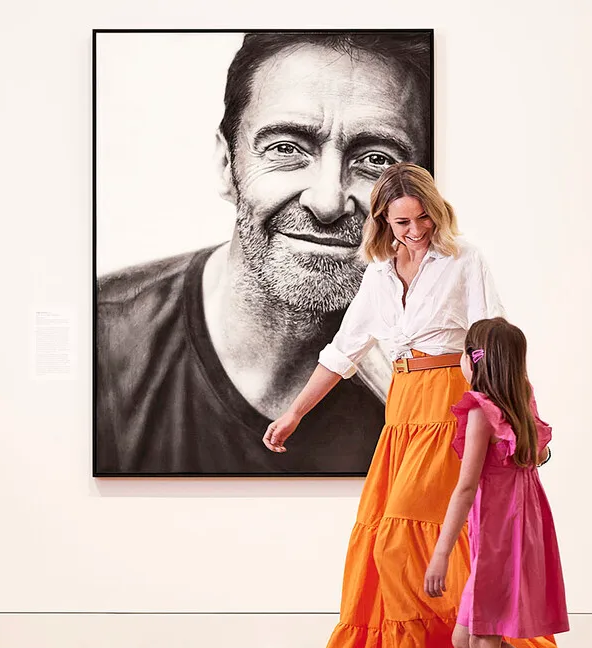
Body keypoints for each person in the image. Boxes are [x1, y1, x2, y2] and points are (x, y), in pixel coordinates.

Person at [263, 163, 592, 648]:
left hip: (449, 408)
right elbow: (343, 352)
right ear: (382, 222)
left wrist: (525, 422)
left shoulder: (464, 259)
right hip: (402, 413)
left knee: (404, 543)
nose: (415, 230)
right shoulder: (377, 275)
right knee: (395, 548)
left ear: (436, 213)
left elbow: (496, 344)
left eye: (423, 218)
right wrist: (295, 412)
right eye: (402, 222)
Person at [95, 31, 432, 476]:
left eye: (377, 159)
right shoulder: (104, 339)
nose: (327, 201)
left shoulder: (433, 379)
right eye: (286, 148)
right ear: (226, 166)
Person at [424, 318, 592, 648]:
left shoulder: (481, 412)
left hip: (499, 535)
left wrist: (441, 554)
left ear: (473, 360)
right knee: (466, 638)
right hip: (520, 527)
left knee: (482, 640)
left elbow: (465, 487)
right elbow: (538, 454)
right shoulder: (522, 399)